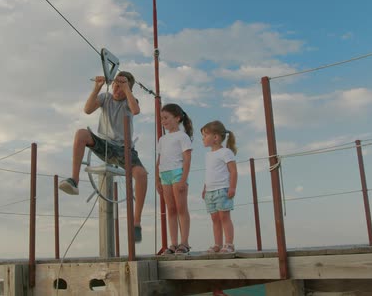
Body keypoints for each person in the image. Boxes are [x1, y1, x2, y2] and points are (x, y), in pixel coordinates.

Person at [59, 71, 148, 243]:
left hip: (124, 149)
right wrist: (96, 88)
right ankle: (74, 180)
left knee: (142, 175)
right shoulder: (105, 97)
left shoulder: (131, 101)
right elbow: (87, 110)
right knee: (81, 133)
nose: (117, 89)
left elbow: (136, 111)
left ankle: (136, 223)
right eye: (115, 84)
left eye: (121, 86)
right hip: (105, 146)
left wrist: (127, 89)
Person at [156, 103, 193, 255]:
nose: (163, 121)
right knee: (170, 210)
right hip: (164, 175)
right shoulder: (162, 139)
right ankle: (173, 244)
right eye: (161, 118)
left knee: (181, 208)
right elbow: (158, 160)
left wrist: (183, 179)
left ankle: (184, 243)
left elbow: (187, 159)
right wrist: (157, 180)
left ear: (177, 118)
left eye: (166, 118)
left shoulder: (183, 137)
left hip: (178, 173)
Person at [200, 120, 238, 254]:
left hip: (222, 190)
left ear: (215, 137)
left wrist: (232, 187)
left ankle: (229, 244)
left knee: (224, 217)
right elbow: (210, 172)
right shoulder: (208, 155)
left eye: (205, 135)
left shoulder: (226, 152)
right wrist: (205, 188)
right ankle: (217, 244)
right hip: (210, 192)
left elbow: (233, 171)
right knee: (214, 219)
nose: (203, 139)